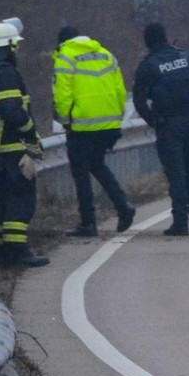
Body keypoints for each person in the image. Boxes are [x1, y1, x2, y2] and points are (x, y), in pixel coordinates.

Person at [0, 21, 49, 267]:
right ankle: (18, 252)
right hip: (13, 147)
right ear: (7, 47)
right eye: (14, 46)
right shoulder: (6, 73)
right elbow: (11, 110)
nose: (16, 50)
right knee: (22, 200)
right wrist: (29, 135)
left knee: (4, 201)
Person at [52, 25, 135, 238]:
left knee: (81, 172)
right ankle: (123, 206)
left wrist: (64, 120)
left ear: (62, 42)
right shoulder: (105, 54)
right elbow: (120, 90)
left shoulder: (65, 56)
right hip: (108, 124)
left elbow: (63, 94)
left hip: (82, 125)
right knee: (97, 165)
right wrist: (117, 118)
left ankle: (88, 222)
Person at [133, 22, 189, 236]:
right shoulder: (186, 57)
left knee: (176, 174)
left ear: (147, 41)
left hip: (169, 124)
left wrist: (154, 121)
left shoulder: (148, 65)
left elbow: (139, 102)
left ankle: (180, 222)